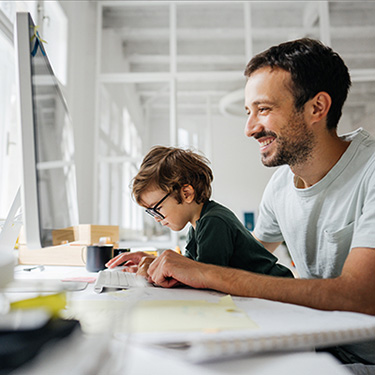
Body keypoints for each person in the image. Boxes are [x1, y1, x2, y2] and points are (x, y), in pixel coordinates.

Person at [108, 38, 375, 372]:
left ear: (316, 108)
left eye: (263, 109)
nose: (249, 128)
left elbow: (359, 298)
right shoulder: (280, 185)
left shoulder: (371, 173)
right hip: (316, 340)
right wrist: (159, 262)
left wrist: (203, 271)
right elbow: (246, 253)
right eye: (249, 112)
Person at [107, 146, 293, 279]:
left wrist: (154, 270)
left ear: (186, 194)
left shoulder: (213, 222)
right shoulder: (197, 226)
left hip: (277, 289)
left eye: (158, 209)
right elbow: (187, 268)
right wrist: (152, 262)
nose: (157, 219)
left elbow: (203, 278)